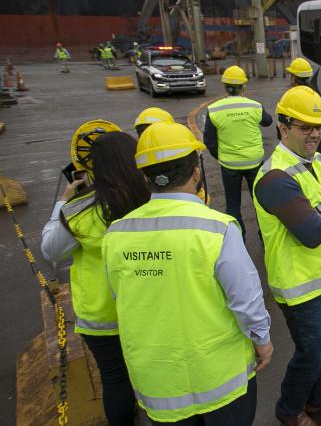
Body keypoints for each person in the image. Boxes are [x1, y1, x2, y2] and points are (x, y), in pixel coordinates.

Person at [102, 122, 273, 425]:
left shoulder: (116, 233)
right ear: (196, 171)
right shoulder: (217, 228)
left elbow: (122, 297)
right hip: (222, 382)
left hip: (160, 385)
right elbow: (245, 299)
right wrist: (262, 340)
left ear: (144, 177)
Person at [252, 86, 321, 426]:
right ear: (283, 128)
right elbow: (311, 234)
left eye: (319, 126)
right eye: (305, 126)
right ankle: (289, 409)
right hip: (300, 285)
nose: (315, 133)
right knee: (310, 353)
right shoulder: (275, 177)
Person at [41, 121, 149, 425]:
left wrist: (63, 202)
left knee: (114, 379)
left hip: (101, 315)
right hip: (145, 306)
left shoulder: (79, 212)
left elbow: (51, 250)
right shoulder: (149, 199)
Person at [204, 65, 273, 240]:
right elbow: (268, 122)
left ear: (225, 87)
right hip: (255, 162)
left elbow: (209, 141)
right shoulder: (255, 106)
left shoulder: (214, 109)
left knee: (233, 205)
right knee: (259, 201)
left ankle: (238, 238)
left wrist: (222, 156)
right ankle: (264, 235)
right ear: (244, 86)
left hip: (229, 165)